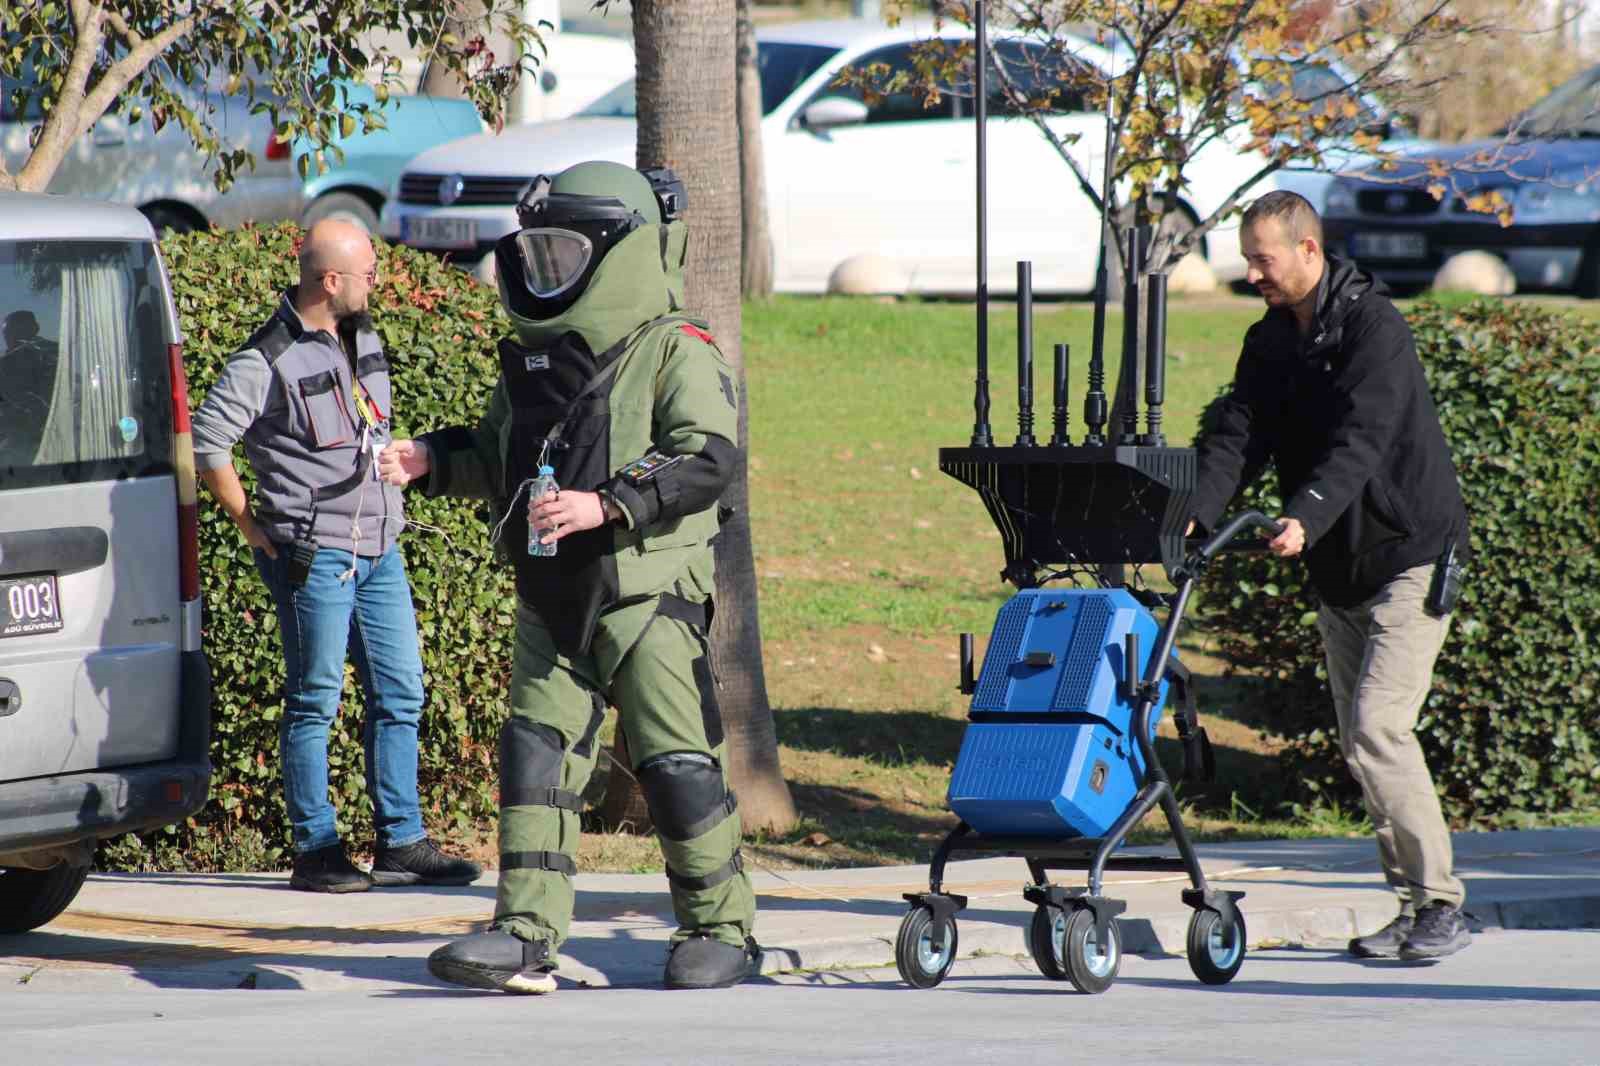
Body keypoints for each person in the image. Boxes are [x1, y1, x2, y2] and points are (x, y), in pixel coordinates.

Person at [377, 161, 755, 994]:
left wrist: (608, 506)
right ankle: (525, 930)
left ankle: (721, 928)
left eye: (567, 255)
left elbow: (709, 459)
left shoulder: (675, 347)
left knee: (676, 765)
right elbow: (498, 453)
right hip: (551, 599)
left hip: (647, 595)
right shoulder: (535, 361)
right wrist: (429, 459)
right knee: (536, 761)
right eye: (539, 254)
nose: (548, 274)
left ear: (621, 254)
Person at [1189, 190, 1472, 961]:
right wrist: (1196, 514)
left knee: (1380, 730)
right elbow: (1238, 433)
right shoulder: (1271, 340)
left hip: (1410, 555)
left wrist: (1305, 515)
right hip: (1338, 563)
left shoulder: (1374, 328)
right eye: (1247, 259)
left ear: (1308, 251)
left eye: (1262, 259)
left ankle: (1441, 902)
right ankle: (1414, 907)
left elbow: (1364, 441)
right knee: (1361, 741)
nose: (1252, 274)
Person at [190, 219, 480, 893]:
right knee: (315, 700)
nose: (377, 283)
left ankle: (402, 842)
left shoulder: (363, 337)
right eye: (367, 274)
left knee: (401, 691)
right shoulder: (263, 358)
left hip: (380, 546)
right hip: (315, 555)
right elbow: (207, 444)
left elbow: (365, 421)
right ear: (330, 280)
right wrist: (248, 524)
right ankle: (315, 850)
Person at [1, 309, 60, 460]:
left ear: (32, 329)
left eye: (13, 331)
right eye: (6, 333)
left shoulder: (54, 355)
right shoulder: (57, 352)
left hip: (33, 438)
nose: (8, 337)